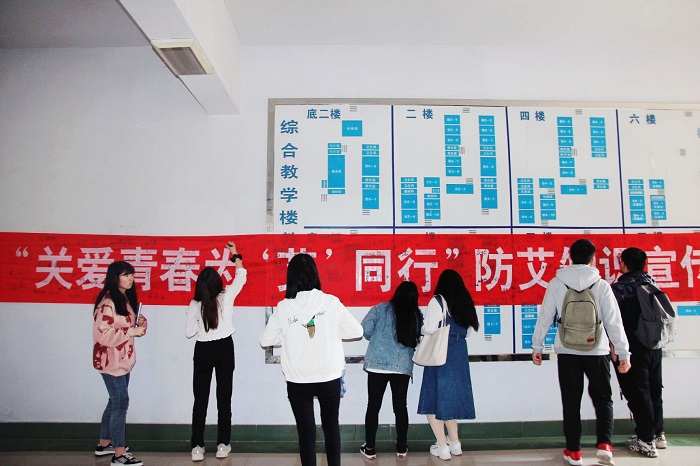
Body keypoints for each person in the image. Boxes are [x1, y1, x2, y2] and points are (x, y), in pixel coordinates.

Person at [531, 238, 631, 466]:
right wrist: (623, 354)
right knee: (603, 399)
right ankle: (605, 446)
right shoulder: (602, 285)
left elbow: (545, 316)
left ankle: (574, 452)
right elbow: (613, 322)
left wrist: (538, 346)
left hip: (567, 350)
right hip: (597, 350)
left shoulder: (557, 283)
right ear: (593, 259)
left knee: (571, 401)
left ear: (570, 258)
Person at [259, 253, 363, 466]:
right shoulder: (330, 302)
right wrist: (331, 331)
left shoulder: (284, 307)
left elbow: (265, 340)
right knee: (331, 428)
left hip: (297, 380)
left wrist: (287, 335)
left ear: (291, 277)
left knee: (305, 434)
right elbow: (357, 331)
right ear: (315, 275)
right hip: (329, 376)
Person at [185, 242, 247, 462]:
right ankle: (222, 445)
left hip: (203, 349)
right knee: (224, 399)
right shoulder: (226, 296)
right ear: (218, 283)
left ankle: (197, 447)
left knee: (200, 399)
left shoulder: (195, 304)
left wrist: (197, 320)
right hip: (224, 348)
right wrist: (235, 255)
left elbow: (188, 333)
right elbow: (241, 276)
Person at [417, 269, 479, 461]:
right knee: (451, 399)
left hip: (441, 353)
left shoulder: (437, 301)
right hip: (459, 352)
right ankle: (455, 443)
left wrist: (421, 328)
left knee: (432, 400)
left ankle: (442, 446)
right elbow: (469, 331)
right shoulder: (466, 302)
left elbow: (429, 328)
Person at [612, 247, 666, 458]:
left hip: (632, 349)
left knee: (638, 392)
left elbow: (613, 322)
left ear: (623, 264)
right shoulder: (652, 284)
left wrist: (615, 348)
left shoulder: (619, 289)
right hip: (655, 346)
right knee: (654, 389)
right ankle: (658, 434)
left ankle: (646, 440)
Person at [360, 281, 423, 459]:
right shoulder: (415, 315)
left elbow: (365, 330)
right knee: (400, 407)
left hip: (377, 365)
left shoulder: (380, 309)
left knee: (373, 406)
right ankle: (401, 448)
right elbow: (417, 338)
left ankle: (370, 448)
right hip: (402, 366)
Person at [93, 261, 147, 466]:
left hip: (123, 360)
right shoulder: (108, 302)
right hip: (111, 361)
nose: (130, 278)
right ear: (115, 278)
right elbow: (103, 334)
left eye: (131, 274)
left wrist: (139, 323)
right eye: (125, 275)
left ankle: (104, 443)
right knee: (120, 403)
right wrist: (131, 331)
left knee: (114, 401)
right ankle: (119, 454)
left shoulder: (123, 299)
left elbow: (126, 325)